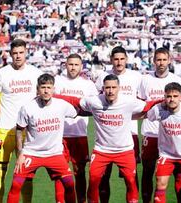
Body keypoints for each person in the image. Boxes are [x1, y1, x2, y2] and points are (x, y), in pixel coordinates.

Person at [56, 74, 159, 203]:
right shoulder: (94, 101)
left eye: (113, 87)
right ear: (103, 88)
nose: (110, 91)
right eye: (107, 88)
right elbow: (73, 100)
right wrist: (53, 96)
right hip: (102, 151)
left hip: (124, 151)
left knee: (131, 181)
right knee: (93, 181)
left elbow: (147, 105)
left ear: (119, 88)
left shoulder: (129, 101)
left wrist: (167, 100)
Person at [0, 39, 42, 203]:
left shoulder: (35, 73)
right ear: (10, 54)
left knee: (26, 175)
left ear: (26, 52)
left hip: (27, 132)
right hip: (3, 130)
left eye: (21, 52)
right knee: (0, 173)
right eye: (15, 53)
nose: (18, 56)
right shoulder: (2, 74)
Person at [7, 73, 76, 203]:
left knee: (70, 184)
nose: (46, 91)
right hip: (31, 153)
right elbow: (19, 131)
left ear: (53, 89)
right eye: (43, 87)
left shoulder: (62, 105)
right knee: (16, 185)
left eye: (49, 87)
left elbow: (78, 111)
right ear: (37, 89)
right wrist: (20, 153)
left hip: (54, 154)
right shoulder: (27, 108)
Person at [139, 47, 181, 203]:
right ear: (153, 61)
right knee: (147, 171)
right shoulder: (145, 79)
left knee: (178, 172)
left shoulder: (177, 80)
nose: (161, 63)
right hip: (151, 132)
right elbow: (141, 104)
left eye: (164, 59)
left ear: (169, 60)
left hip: (172, 134)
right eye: (158, 59)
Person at [95, 46, 143, 203]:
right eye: (116, 59)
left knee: (131, 178)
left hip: (130, 134)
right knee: (103, 177)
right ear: (111, 60)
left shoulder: (136, 77)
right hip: (106, 136)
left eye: (122, 59)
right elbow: (96, 101)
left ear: (127, 60)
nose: (119, 62)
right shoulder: (103, 76)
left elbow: (142, 102)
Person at [54, 54, 98, 203]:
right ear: (65, 65)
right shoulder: (57, 81)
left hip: (79, 135)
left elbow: (94, 108)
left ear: (81, 66)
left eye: (76, 65)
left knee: (80, 173)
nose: (73, 67)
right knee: (60, 174)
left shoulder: (88, 85)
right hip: (58, 136)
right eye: (70, 64)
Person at [147, 82, 181, 203]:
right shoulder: (159, 109)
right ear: (165, 97)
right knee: (160, 185)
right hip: (167, 155)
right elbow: (149, 117)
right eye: (169, 96)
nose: (172, 99)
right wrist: (160, 105)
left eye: (175, 96)